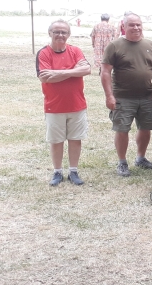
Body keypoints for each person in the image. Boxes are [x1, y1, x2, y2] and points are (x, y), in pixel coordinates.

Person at [101, 13, 152, 176]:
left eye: (138, 24)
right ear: (124, 26)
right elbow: (105, 72)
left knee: (145, 128)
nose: (136, 28)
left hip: (146, 96)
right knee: (122, 129)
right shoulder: (114, 46)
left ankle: (141, 158)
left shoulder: (150, 44)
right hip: (122, 96)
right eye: (132, 25)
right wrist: (109, 96)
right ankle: (122, 162)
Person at [37, 20, 91, 186]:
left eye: (64, 32)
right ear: (50, 33)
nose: (60, 35)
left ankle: (73, 171)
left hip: (77, 104)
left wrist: (57, 73)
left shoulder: (75, 51)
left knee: (75, 139)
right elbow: (44, 77)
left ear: (68, 34)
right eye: (56, 32)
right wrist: (74, 71)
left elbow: (87, 69)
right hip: (54, 106)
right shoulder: (44, 53)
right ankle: (57, 172)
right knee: (56, 140)